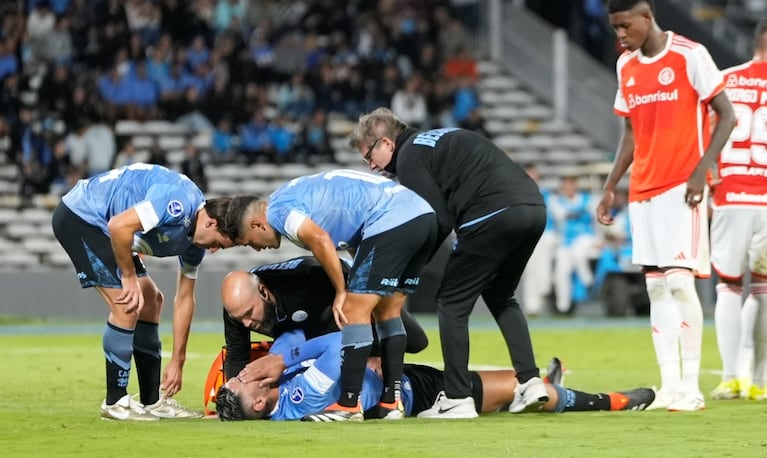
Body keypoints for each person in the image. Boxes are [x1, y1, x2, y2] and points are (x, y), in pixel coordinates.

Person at [349, 108, 548, 419]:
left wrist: (407, 268)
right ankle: (531, 381)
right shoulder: (440, 136)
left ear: (386, 142)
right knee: (500, 296)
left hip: (490, 214)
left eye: (369, 156)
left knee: (451, 302)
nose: (372, 166)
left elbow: (435, 219)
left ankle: (457, 397)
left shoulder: (410, 157)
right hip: (533, 209)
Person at [596, 0, 736, 411]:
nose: (621, 36)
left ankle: (691, 386)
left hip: (682, 187)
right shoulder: (626, 66)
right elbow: (629, 132)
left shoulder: (690, 54)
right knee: (656, 286)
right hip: (642, 190)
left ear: (646, 16)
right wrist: (610, 186)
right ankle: (669, 386)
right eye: (615, 29)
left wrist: (701, 172)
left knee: (679, 281)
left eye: (625, 26)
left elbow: (726, 116)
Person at [221, 169, 437, 421]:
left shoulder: (280, 213)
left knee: (356, 311)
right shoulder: (288, 197)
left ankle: (349, 406)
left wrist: (341, 292)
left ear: (257, 224)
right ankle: (391, 402)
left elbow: (321, 240)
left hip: (392, 220)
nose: (257, 249)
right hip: (420, 214)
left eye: (250, 242)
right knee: (388, 314)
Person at [51, 163, 236, 421]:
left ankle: (152, 401)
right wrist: (128, 276)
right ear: (212, 223)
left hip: (109, 228)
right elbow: (118, 226)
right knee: (127, 304)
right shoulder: (178, 203)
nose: (214, 250)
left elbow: (184, 298)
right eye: (218, 243)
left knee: (151, 300)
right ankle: (115, 401)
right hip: (83, 218)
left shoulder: (195, 240)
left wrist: (178, 360)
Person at [214, 330, 656, 421]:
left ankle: (542, 379)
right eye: (245, 379)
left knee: (508, 385)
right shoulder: (299, 397)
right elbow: (339, 342)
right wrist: (284, 359)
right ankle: (611, 400)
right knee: (520, 389)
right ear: (258, 401)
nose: (248, 371)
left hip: (400, 380)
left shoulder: (277, 400)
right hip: (416, 391)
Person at [220, 255, 429, 380]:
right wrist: (234, 393)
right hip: (308, 328)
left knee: (414, 341)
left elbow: (360, 295)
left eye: (249, 314)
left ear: (264, 292)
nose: (247, 323)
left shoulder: (306, 278)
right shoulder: (236, 309)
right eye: (240, 318)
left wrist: (373, 353)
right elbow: (236, 356)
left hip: (349, 296)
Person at [709, 19, 767, 401]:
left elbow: (703, 136)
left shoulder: (724, 79)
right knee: (763, 288)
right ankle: (761, 381)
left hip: (731, 195)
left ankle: (731, 377)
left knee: (728, 286)